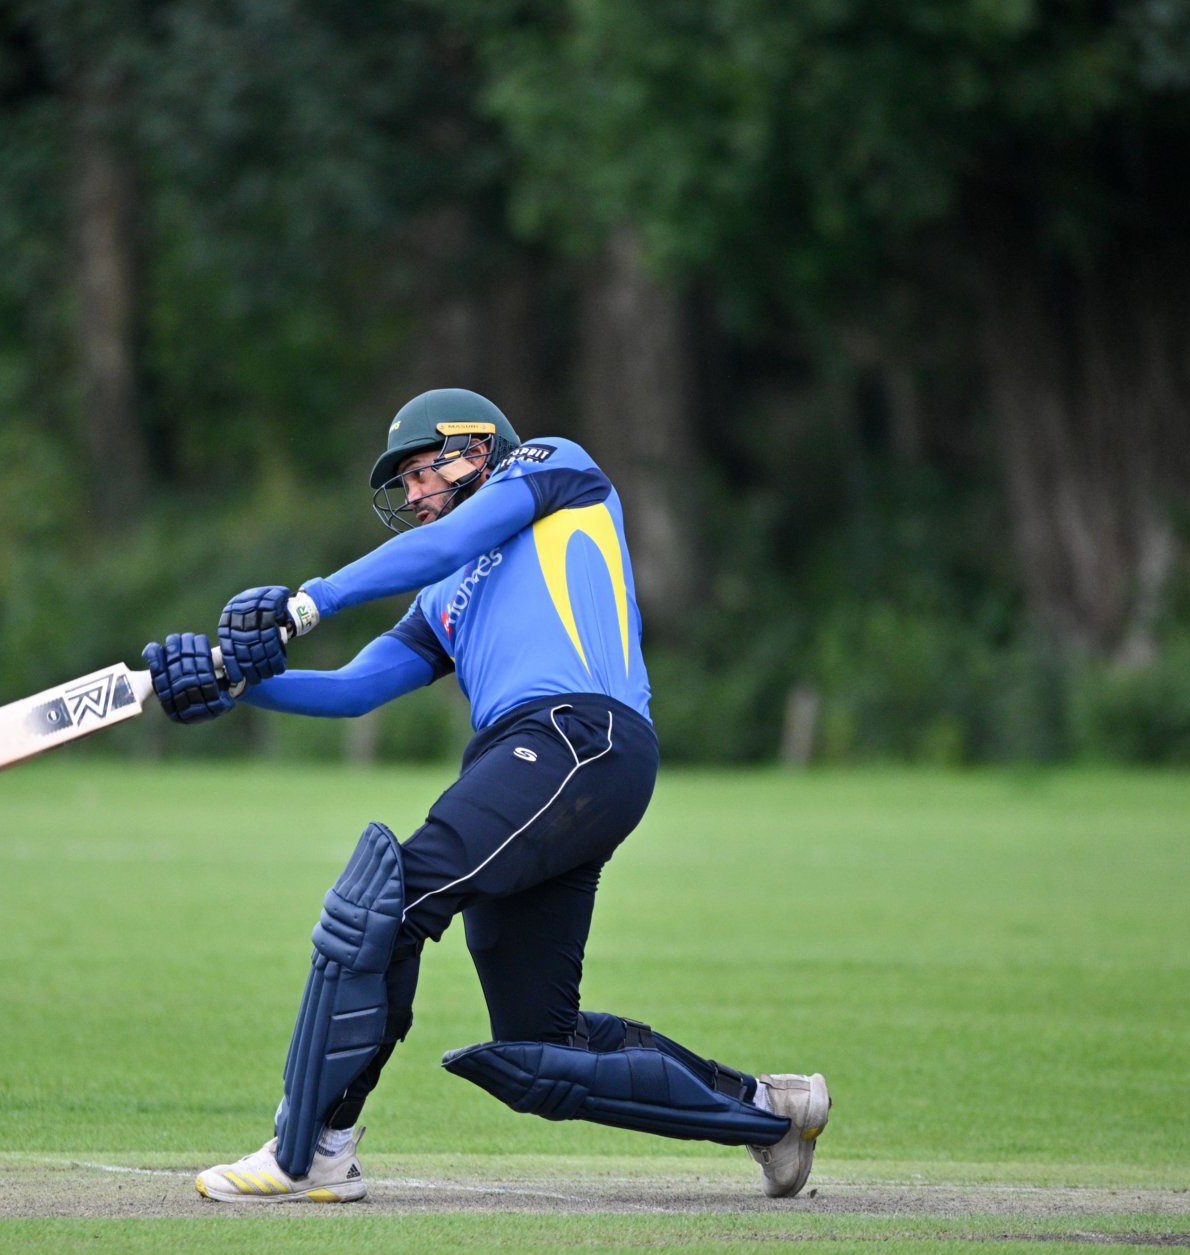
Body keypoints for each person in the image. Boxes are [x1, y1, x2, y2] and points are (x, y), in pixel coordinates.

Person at [140, 388, 828, 1204]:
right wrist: (233, 684)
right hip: (544, 766)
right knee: (542, 1044)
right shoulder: (443, 595)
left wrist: (305, 602)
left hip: (579, 735)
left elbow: (452, 538)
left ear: (477, 449)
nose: (415, 495)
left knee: (387, 901)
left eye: (423, 471)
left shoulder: (553, 467)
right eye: (402, 486)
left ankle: (314, 1148)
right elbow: (356, 689)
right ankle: (773, 1113)